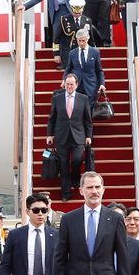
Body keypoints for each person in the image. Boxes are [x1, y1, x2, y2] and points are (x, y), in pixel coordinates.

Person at [20, 0, 78, 64]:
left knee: (69, 36)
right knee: (56, 36)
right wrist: (25, 6)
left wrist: (77, 11)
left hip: (68, 10)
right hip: (56, 13)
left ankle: (70, 62)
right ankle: (59, 59)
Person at [46, 73, 93, 201]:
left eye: (72, 84)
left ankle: (75, 177)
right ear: (64, 84)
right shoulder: (57, 98)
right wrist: (49, 134)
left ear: (76, 85)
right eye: (67, 84)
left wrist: (89, 136)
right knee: (63, 165)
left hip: (78, 135)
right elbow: (52, 118)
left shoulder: (83, 98)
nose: (69, 86)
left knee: (77, 159)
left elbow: (87, 119)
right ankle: (66, 193)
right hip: (61, 136)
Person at [64, 30, 105, 105]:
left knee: (89, 111)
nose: (81, 43)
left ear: (88, 38)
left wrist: (102, 84)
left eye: (83, 41)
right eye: (79, 41)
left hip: (91, 85)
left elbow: (99, 70)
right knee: (77, 109)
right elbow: (68, 69)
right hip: (77, 85)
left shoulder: (95, 52)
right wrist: (64, 80)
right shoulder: (72, 53)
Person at [58, 0, 94, 70]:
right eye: (75, 13)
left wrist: (92, 53)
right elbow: (56, 39)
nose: (77, 15)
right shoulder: (64, 20)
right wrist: (56, 54)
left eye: (79, 13)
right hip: (67, 54)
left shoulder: (88, 20)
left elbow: (91, 39)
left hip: (83, 54)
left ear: (82, 11)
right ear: (72, 10)